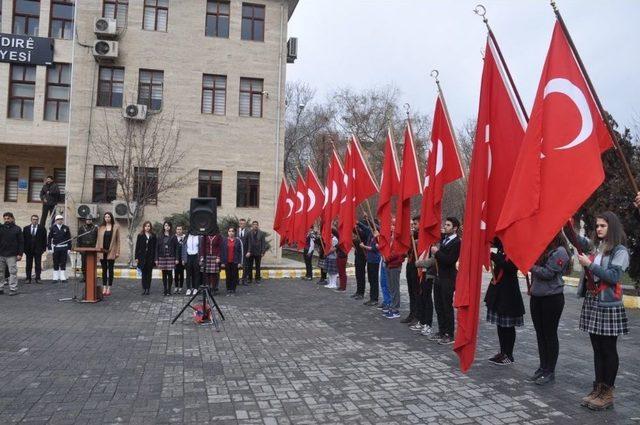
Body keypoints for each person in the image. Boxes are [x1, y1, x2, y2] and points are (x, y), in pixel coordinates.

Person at [575, 212, 629, 411]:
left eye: (603, 226)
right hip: (592, 302)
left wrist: (590, 265)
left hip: (608, 305)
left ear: (611, 227)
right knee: (597, 348)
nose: (598, 229)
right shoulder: (596, 247)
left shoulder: (620, 251)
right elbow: (575, 238)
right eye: (597, 225)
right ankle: (598, 387)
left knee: (608, 349)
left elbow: (613, 276)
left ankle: (607, 392)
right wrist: (565, 222)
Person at [528, 232, 571, 385]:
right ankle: (542, 367)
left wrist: (529, 265)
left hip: (552, 299)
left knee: (549, 334)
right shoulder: (544, 249)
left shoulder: (560, 251)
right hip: (538, 297)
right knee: (540, 334)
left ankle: (549, 371)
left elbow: (548, 273)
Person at [484, 238, 525, 365]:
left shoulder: (516, 250)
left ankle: (509, 354)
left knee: (508, 326)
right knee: (500, 324)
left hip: (509, 293)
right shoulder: (503, 248)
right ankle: (502, 352)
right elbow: (495, 239)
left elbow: (510, 267)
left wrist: (494, 256)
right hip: (499, 292)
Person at [430, 217, 461, 345]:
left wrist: (437, 253)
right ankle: (442, 330)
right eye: (445, 224)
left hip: (448, 278)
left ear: (455, 228)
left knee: (446, 305)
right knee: (438, 305)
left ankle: (449, 333)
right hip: (438, 277)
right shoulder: (444, 239)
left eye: (448, 225)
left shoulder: (457, 242)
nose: (445, 227)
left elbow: (450, 260)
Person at [384, 223, 406, 319]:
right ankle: (392, 306)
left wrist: (387, 258)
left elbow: (398, 253)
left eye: (394, 224)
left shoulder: (399, 239)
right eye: (391, 224)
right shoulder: (391, 237)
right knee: (390, 287)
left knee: (395, 287)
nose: (392, 226)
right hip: (389, 265)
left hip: (395, 265)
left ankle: (395, 309)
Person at [96, 212, 120, 296]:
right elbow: (98, 240)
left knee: (110, 270)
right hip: (102, 251)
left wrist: (117, 251)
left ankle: (109, 288)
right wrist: (97, 251)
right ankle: (104, 287)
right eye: (105, 217)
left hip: (111, 251)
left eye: (108, 217)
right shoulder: (101, 227)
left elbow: (118, 241)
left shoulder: (115, 227)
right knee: (104, 270)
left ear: (111, 218)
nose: (107, 218)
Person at [402, 216, 420, 324]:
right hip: (409, 264)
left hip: (417, 266)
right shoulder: (412, 235)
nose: (413, 226)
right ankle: (412, 313)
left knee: (416, 291)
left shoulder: (423, 236)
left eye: (415, 224)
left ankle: (417, 315)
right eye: (412, 224)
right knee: (410, 291)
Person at [0, 212, 24, 296]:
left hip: (12, 255)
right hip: (1, 254)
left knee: (12, 272)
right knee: (0, 272)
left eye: (8, 218)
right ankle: (0, 288)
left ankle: (13, 289)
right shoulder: (1, 228)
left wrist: (20, 254)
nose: (6, 220)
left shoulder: (17, 229)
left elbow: (21, 242)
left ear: (12, 219)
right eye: (5, 218)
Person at [22, 214, 47, 284]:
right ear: (31, 220)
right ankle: (28, 278)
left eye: (36, 219)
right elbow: (23, 239)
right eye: (33, 219)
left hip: (38, 250)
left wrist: (43, 249)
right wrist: (24, 249)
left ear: (38, 220)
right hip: (28, 250)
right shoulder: (26, 228)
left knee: (38, 264)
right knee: (28, 265)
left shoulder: (42, 228)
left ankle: (38, 278)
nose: (35, 221)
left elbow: (45, 239)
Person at [47, 214, 72, 283]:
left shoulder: (66, 228)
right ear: (55, 221)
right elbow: (49, 238)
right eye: (58, 219)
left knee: (63, 262)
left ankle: (63, 277)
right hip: (56, 248)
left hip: (64, 248)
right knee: (56, 262)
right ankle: (55, 277)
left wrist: (69, 248)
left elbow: (69, 238)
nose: (60, 221)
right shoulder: (53, 228)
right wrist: (49, 247)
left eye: (61, 219)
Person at [360, 224, 380, 306]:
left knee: (374, 280)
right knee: (371, 280)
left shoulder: (378, 237)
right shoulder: (371, 235)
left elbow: (374, 249)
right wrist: (358, 223)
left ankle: (375, 299)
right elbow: (365, 228)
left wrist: (364, 246)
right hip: (370, 260)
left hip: (375, 261)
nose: (371, 229)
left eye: (372, 228)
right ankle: (371, 298)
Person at [135, 221, 156, 295]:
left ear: (150, 227)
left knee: (149, 274)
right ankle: (144, 288)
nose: (147, 227)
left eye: (149, 226)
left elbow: (155, 247)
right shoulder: (140, 235)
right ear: (144, 227)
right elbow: (137, 247)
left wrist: (155, 258)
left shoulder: (153, 236)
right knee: (143, 274)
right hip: (142, 257)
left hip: (150, 257)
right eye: (146, 226)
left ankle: (148, 288)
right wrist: (136, 257)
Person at [156, 221, 176, 296]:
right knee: (164, 273)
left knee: (170, 273)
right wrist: (156, 259)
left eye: (168, 225)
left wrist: (176, 258)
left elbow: (176, 247)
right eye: (165, 225)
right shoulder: (160, 236)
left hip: (170, 256)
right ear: (163, 227)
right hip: (162, 256)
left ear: (170, 227)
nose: (167, 227)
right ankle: (165, 289)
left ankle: (169, 290)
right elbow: (157, 248)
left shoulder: (173, 236)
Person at [221, 227, 243, 294]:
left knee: (234, 276)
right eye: (229, 231)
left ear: (234, 232)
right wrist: (222, 262)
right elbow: (222, 251)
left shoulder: (238, 241)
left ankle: (233, 289)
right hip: (227, 261)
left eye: (232, 231)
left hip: (235, 261)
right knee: (228, 276)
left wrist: (240, 262)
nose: (231, 232)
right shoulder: (224, 240)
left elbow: (240, 252)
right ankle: (228, 288)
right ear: (228, 232)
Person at [77, 215, 98, 282]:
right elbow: (79, 239)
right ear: (85, 220)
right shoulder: (82, 228)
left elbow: (98, 238)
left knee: (92, 263)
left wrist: (96, 248)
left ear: (92, 220)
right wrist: (79, 249)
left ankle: (91, 277)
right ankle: (85, 277)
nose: (88, 221)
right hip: (84, 247)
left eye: (90, 219)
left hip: (92, 248)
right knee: (84, 264)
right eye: (87, 219)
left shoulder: (95, 228)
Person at [182, 230, 202, 296]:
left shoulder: (199, 237)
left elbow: (201, 248)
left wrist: (201, 259)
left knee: (196, 273)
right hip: (188, 256)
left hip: (196, 256)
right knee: (188, 273)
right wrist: (183, 259)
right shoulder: (186, 237)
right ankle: (188, 288)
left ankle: (195, 288)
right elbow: (183, 248)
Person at [351, 221, 367, 299]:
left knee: (361, 275)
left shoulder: (363, 235)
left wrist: (355, 225)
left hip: (362, 256)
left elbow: (358, 232)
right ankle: (358, 291)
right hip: (357, 256)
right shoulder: (358, 235)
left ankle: (361, 292)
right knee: (358, 274)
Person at [173, 225, 187, 294]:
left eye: (180, 229)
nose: (179, 230)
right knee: (175, 273)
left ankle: (181, 287)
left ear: (182, 230)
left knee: (181, 273)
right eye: (178, 229)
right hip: (175, 259)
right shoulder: (174, 237)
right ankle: (176, 287)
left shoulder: (184, 238)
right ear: (176, 230)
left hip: (182, 259)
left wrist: (184, 259)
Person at [237, 218, 250, 285]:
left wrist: (249, 251)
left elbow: (250, 242)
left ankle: (244, 280)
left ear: (245, 224)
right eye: (241, 223)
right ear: (239, 224)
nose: (242, 225)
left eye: (244, 224)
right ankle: (236, 280)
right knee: (236, 266)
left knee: (245, 266)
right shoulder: (235, 231)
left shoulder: (248, 231)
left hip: (245, 251)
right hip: (237, 252)